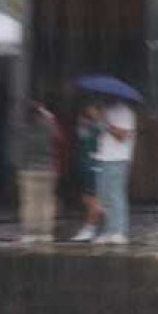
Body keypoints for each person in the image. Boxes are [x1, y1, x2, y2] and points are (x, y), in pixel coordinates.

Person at [91, 92, 135, 246]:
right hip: (103, 157)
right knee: (103, 197)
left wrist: (104, 121)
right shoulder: (107, 110)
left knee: (116, 195)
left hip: (118, 159)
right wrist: (97, 118)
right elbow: (100, 132)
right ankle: (108, 231)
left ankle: (119, 231)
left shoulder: (125, 112)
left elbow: (122, 136)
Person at [16, 100, 62, 245]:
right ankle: (45, 233)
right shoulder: (48, 127)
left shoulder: (23, 128)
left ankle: (30, 233)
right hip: (47, 169)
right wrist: (48, 115)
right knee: (46, 202)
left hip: (28, 170)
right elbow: (58, 137)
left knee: (30, 203)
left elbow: (19, 150)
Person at [70, 102, 105, 243]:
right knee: (87, 198)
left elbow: (102, 135)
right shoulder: (86, 126)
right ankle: (95, 227)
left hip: (96, 163)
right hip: (86, 163)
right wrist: (83, 123)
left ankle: (91, 228)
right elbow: (82, 136)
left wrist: (96, 121)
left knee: (93, 199)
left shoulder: (101, 126)